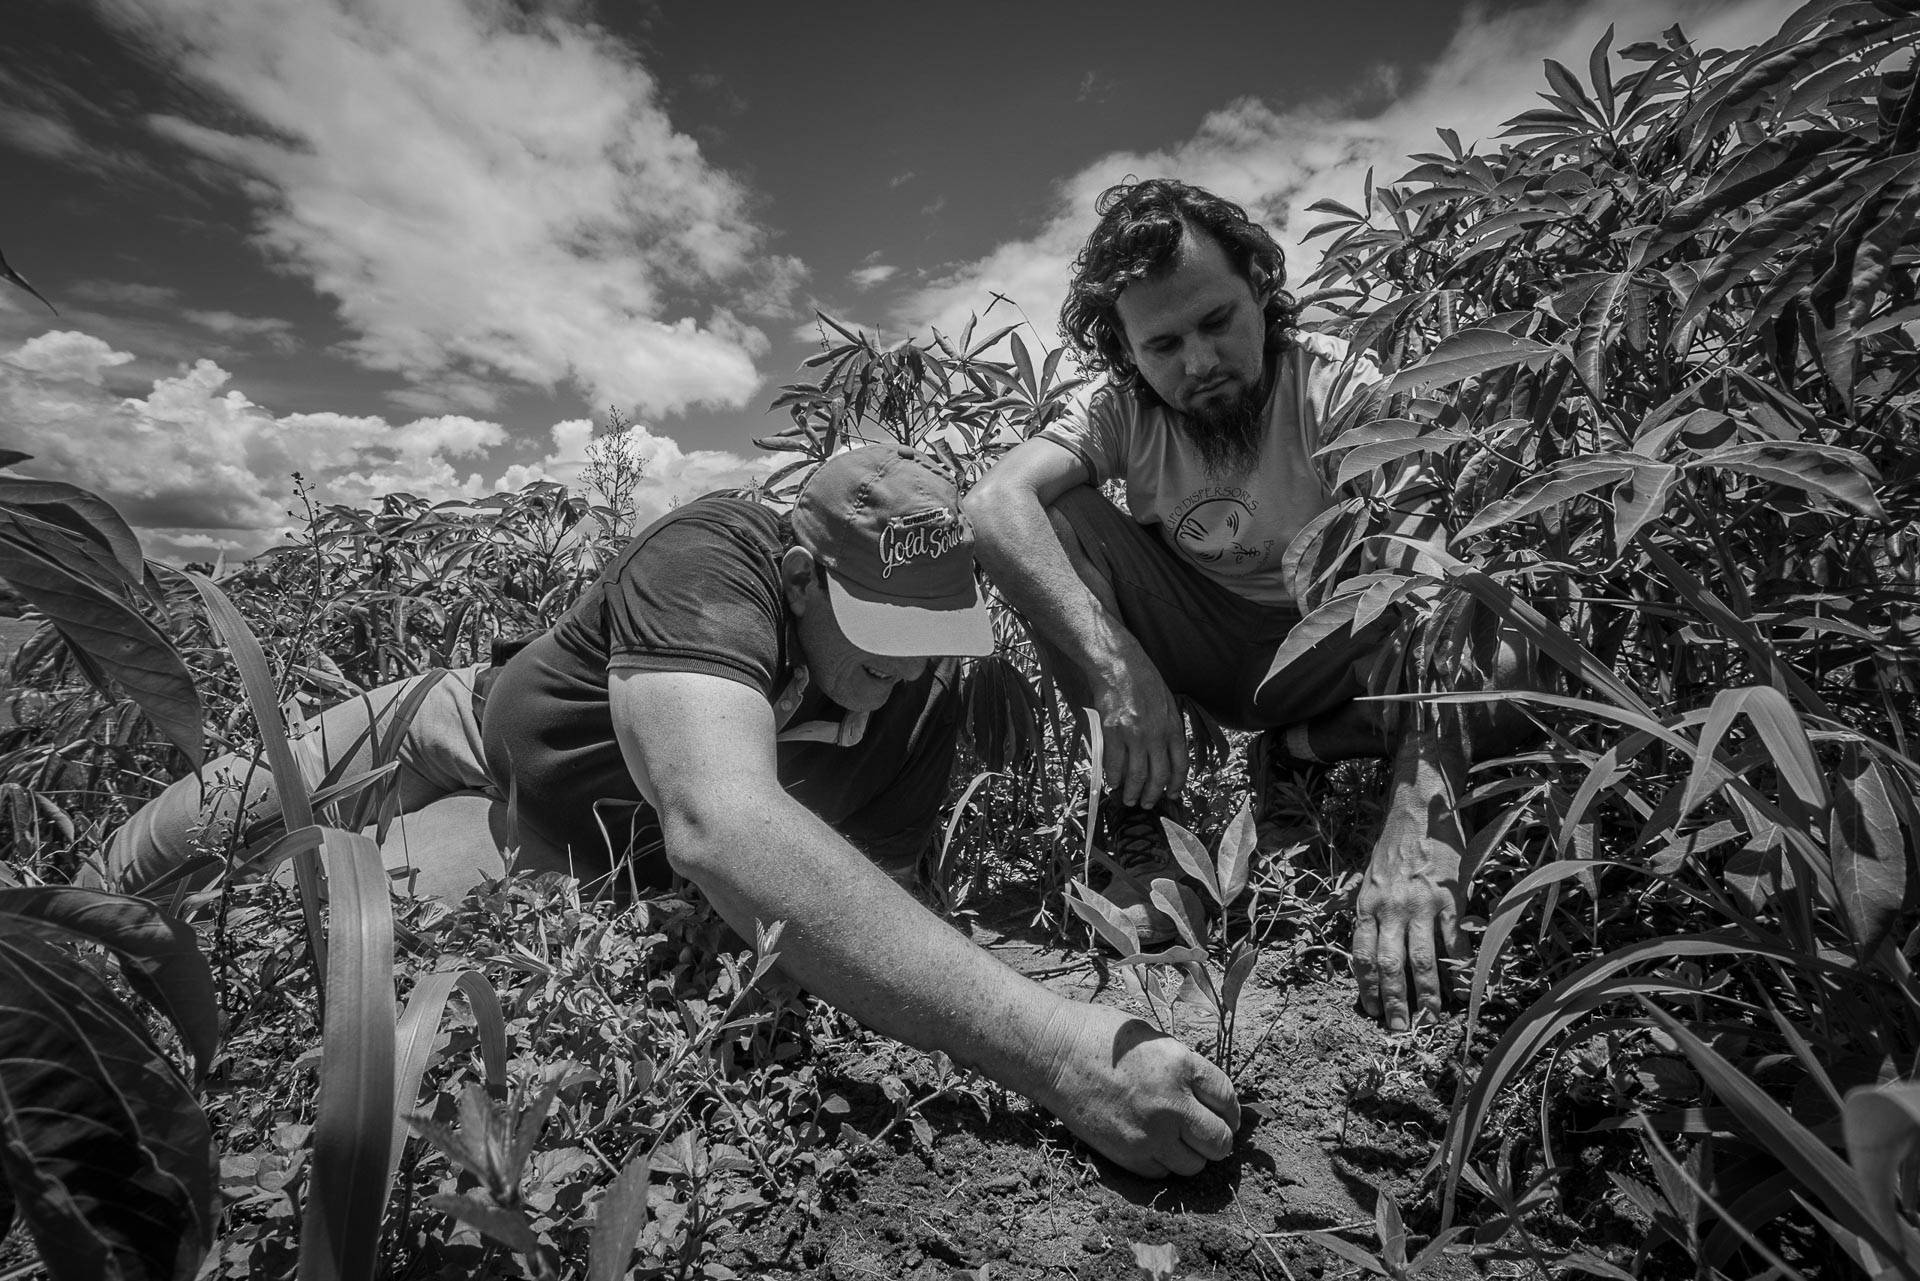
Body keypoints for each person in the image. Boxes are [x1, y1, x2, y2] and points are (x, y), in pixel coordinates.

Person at [104, 445, 1240, 1178]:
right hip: (455, 726)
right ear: (800, 577)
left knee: (275, 940)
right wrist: (1060, 1052)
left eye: (931, 634)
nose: (907, 667)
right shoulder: (716, 554)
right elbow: (721, 822)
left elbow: (869, 895)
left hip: (551, 847)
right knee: (140, 872)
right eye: (882, 632)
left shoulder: (920, 693)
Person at [965, 179, 1527, 1033]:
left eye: (1218, 321)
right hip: (1202, 648)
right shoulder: (1120, 409)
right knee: (1055, 515)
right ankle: (1145, 830)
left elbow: (1433, 596)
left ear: (1262, 289)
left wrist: (1421, 822)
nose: (1199, 363)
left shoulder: (1341, 386)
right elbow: (993, 503)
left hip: (1334, 649)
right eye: (1163, 344)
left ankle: (1298, 751)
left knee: (1513, 647)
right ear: (1126, 351)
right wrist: (1119, 671)